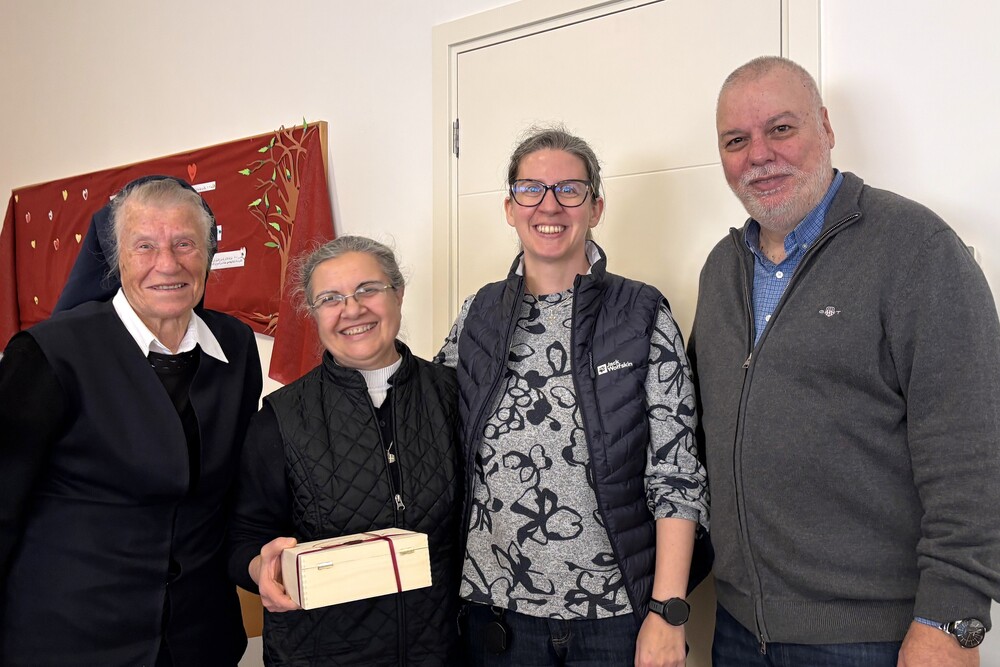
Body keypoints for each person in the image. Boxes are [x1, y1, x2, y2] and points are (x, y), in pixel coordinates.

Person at [689, 55, 1000, 667]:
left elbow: (975, 446)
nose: (758, 155)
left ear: (825, 128)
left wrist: (952, 619)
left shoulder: (917, 249)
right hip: (737, 629)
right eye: (736, 139)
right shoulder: (720, 270)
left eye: (781, 128)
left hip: (873, 637)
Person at [436, 126, 709, 667]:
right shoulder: (477, 315)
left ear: (597, 206)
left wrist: (667, 610)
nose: (549, 204)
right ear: (510, 207)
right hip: (496, 613)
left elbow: (676, 473)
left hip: (615, 616)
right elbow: (431, 436)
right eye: (530, 188)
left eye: (570, 189)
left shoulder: (642, 313)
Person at [0, 177, 263, 666]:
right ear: (116, 257)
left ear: (208, 253)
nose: (168, 263)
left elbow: (235, 493)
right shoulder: (50, 353)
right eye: (145, 246)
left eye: (185, 243)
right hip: (69, 638)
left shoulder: (237, 347)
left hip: (197, 640)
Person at [228, 236, 462, 666]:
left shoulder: (454, 397)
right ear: (314, 314)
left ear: (399, 294)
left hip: (444, 651)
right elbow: (243, 537)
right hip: (319, 652)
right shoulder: (280, 419)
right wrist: (262, 569)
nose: (352, 310)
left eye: (368, 290)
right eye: (330, 298)